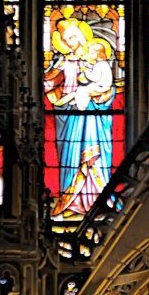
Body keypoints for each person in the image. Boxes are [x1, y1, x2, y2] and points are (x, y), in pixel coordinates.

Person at [42, 16, 115, 217]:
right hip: (68, 112)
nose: (71, 42)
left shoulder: (97, 60)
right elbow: (49, 82)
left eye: (74, 36)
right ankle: (70, 201)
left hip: (93, 113)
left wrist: (97, 94)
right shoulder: (64, 60)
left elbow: (107, 87)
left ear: (83, 35)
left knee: (93, 154)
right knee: (70, 157)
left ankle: (98, 198)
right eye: (67, 40)